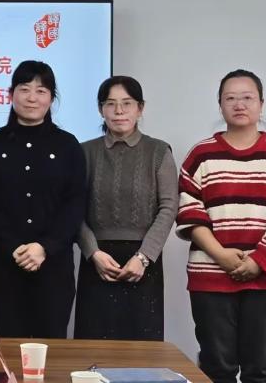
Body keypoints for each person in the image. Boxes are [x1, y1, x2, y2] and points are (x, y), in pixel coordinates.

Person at [176, 69, 266, 383]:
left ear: (261, 103)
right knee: (216, 370)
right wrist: (221, 255)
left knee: (261, 370)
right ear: (219, 105)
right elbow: (190, 211)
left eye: (247, 97)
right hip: (211, 277)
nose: (239, 104)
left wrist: (259, 262)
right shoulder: (201, 155)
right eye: (230, 98)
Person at [0, 60, 86, 338]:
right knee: (9, 344)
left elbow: (74, 204)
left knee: (51, 344)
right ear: (11, 95)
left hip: (53, 265)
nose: (32, 97)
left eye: (41, 90)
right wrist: (14, 247)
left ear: (51, 98)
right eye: (24, 89)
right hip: (3, 265)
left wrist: (44, 248)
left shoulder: (68, 145)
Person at [74, 76, 178, 341]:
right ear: (101, 109)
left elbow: (169, 207)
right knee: (93, 348)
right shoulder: (84, 152)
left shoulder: (158, 151)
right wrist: (92, 253)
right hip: (97, 261)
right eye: (110, 104)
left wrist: (143, 257)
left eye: (127, 103)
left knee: (141, 349)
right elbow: (73, 208)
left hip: (143, 263)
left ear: (140, 108)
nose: (119, 111)